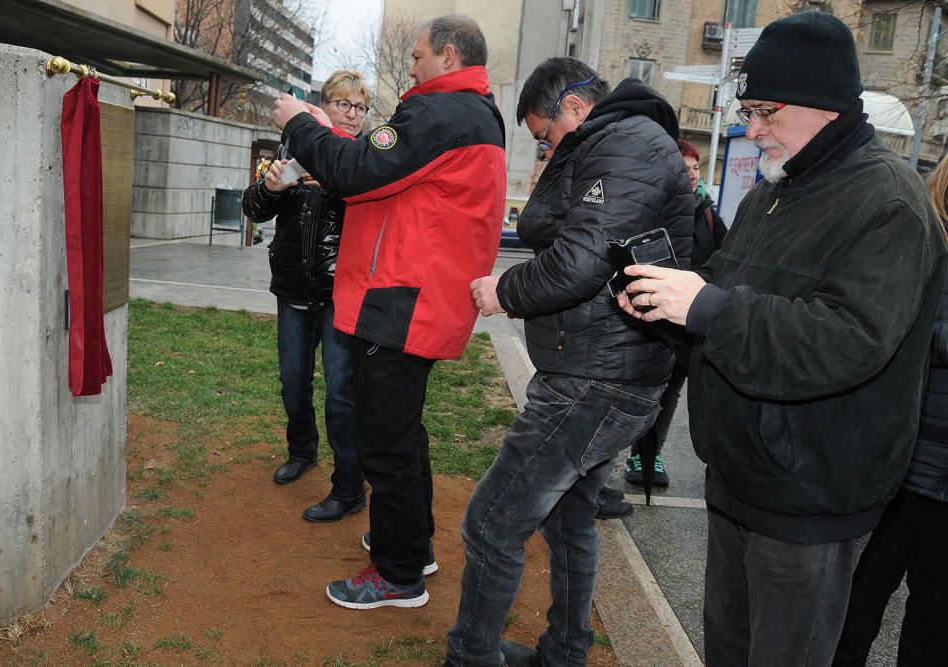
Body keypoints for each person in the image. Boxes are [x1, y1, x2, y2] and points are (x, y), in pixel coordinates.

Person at [615, 12, 948, 664]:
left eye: (766, 110)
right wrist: (662, 304)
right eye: (747, 109)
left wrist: (708, 308)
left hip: (810, 502)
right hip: (738, 478)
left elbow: (846, 340)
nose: (752, 127)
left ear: (826, 107)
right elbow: (723, 288)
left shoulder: (890, 202)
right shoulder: (774, 193)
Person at [446, 58, 693, 666]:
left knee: (492, 522)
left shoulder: (627, 145)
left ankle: (471, 658)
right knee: (569, 519)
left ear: (576, 108)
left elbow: (581, 261)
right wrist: (556, 163)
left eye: (545, 135)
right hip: (603, 369)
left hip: (597, 380)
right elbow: (558, 230)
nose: (545, 147)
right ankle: (565, 652)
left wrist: (503, 292)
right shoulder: (617, 144)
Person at [271, 15, 506, 609]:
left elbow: (353, 175)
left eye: (420, 55)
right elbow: (378, 173)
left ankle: (398, 572)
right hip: (419, 295)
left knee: (386, 441)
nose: (412, 65)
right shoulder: (468, 111)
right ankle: (412, 544)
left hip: (405, 298)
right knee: (403, 433)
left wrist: (301, 126)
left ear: (448, 56)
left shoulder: (439, 113)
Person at [832, 158, 948, 666]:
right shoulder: (921, 242)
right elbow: (889, 329)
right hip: (895, 467)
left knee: (933, 631)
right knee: (850, 613)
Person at [241, 70, 371, 523]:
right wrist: (271, 187)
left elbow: (371, 206)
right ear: (323, 105)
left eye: (360, 107)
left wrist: (334, 181)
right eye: (343, 105)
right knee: (293, 382)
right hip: (293, 286)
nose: (352, 115)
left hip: (341, 291)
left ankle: (349, 485)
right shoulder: (292, 147)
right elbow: (253, 209)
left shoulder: (364, 157)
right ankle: (302, 451)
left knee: (341, 393)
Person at [596, 138, 727, 518]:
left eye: (695, 167)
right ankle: (600, 474)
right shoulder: (659, 203)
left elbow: (723, 260)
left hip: (689, 318)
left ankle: (648, 457)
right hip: (649, 319)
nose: (690, 172)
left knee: (669, 395)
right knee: (630, 396)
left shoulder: (707, 215)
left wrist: (696, 290)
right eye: (684, 165)